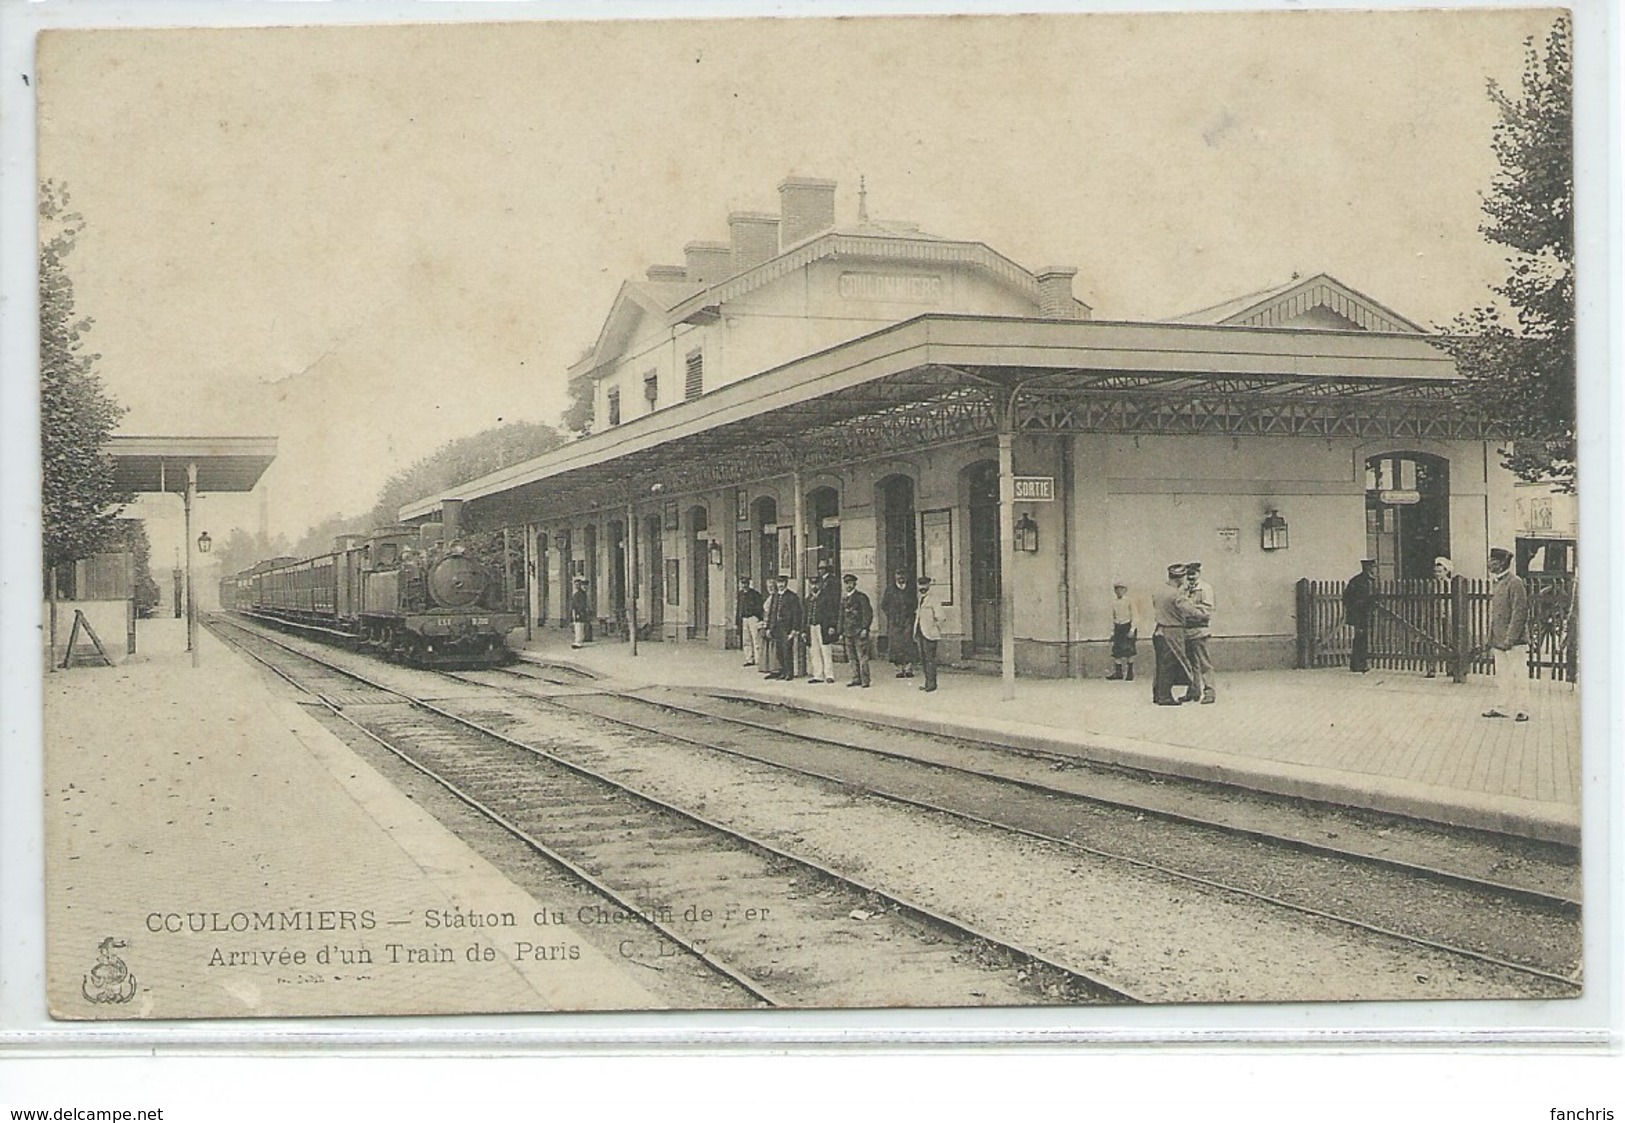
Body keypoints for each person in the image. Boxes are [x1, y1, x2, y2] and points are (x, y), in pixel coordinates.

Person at [1483, 546, 1531, 722]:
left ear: (1503, 563)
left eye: (1493, 560)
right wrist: (1492, 638)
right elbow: (1496, 615)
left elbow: (1520, 612)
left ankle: (1522, 709)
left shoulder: (1515, 582)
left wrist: (1510, 638)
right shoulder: (1498, 582)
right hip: (1499, 640)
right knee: (1502, 675)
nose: (1489, 563)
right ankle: (1503, 707)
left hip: (1514, 641)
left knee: (1519, 674)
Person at [1150, 563, 1194, 705]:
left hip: (1159, 630)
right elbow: (1188, 609)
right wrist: (1204, 613)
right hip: (1172, 631)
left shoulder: (1158, 591)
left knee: (1160, 665)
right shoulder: (1176, 594)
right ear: (1179, 578)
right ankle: (1165, 697)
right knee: (1170, 664)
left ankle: (1158, 695)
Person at [1180, 561, 1216, 704]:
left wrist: (1191, 607)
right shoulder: (1183, 589)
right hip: (1186, 630)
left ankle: (1210, 692)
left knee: (1204, 663)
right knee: (1190, 663)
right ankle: (1193, 691)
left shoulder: (1205, 588)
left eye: (1193, 575)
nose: (1190, 578)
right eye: (1188, 576)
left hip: (1200, 630)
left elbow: (1208, 610)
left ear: (1198, 574)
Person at [763, 573, 804, 681]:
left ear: (786, 583)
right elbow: (772, 612)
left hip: (787, 628)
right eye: (779, 582)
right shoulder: (775, 596)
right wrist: (768, 628)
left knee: (787, 651)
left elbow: (796, 614)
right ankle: (782, 671)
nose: (780, 585)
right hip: (776, 628)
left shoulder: (792, 596)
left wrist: (795, 629)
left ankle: (789, 673)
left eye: (782, 583)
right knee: (779, 651)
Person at [838, 572, 874, 688]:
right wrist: (840, 631)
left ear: (855, 584)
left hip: (859, 631)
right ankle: (855, 678)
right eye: (846, 583)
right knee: (851, 657)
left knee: (862, 656)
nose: (848, 585)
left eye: (850, 583)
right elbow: (841, 616)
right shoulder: (844, 599)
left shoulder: (861, 597)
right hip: (847, 632)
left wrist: (865, 628)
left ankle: (865, 680)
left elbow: (867, 613)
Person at [1343, 558, 1378, 673]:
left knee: (1366, 638)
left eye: (1373, 567)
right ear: (1365, 568)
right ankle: (1357, 664)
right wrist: (1356, 607)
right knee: (1360, 637)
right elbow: (1346, 598)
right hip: (1359, 614)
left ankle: (1362, 663)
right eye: (1371, 567)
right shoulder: (1357, 581)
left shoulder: (1373, 581)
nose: (1373, 569)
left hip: (1369, 614)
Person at [880, 570, 917, 678]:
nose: (901, 578)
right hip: (895, 621)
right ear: (895, 577)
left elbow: (914, 603)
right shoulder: (890, 590)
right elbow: (884, 605)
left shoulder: (910, 590)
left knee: (908, 642)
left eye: (903, 576)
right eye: (898, 575)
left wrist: (909, 615)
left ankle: (908, 667)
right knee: (896, 644)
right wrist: (892, 615)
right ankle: (899, 668)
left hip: (907, 620)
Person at [806, 572, 840, 683]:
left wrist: (832, 626)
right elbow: (804, 616)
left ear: (821, 584)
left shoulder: (827, 598)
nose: (814, 586)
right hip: (812, 627)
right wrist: (803, 630)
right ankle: (818, 675)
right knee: (814, 651)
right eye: (812, 584)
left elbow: (832, 613)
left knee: (826, 650)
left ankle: (829, 675)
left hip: (823, 627)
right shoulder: (808, 599)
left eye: (816, 584)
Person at [913, 575, 944, 692]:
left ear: (929, 585)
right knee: (924, 659)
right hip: (920, 632)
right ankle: (927, 682)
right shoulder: (920, 598)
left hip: (930, 633)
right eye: (920, 585)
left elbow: (941, 617)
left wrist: (935, 629)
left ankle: (932, 683)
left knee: (930, 659)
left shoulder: (933, 599)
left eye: (925, 584)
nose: (922, 587)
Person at [1426, 557, 1455, 679]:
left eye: (1440, 571)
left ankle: (1450, 668)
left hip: (1448, 615)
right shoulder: (1431, 585)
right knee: (1433, 641)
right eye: (1435, 572)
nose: (1437, 574)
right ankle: (1432, 669)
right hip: (1435, 615)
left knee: (1448, 641)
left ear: (1446, 571)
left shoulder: (1450, 584)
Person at [1107, 581, 1138, 681]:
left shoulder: (1129, 601)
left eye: (1121, 589)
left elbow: (1135, 615)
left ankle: (1130, 673)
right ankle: (1118, 673)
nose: (1119, 591)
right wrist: (1112, 632)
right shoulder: (1114, 602)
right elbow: (1112, 617)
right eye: (1117, 589)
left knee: (1129, 650)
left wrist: (1132, 629)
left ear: (1125, 590)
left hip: (1127, 626)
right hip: (1118, 626)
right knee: (1117, 651)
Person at [735, 575, 764, 668]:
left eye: (746, 583)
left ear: (749, 583)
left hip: (753, 618)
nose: (744, 585)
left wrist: (757, 617)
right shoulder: (740, 594)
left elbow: (760, 606)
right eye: (742, 583)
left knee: (756, 639)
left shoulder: (755, 594)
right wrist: (737, 621)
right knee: (746, 640)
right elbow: (738, 608)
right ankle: (749, 659)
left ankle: (759, 659)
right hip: (744, 618)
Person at [568, 577, 592, 649]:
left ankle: (578, 641)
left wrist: (579, 612)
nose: (576, 586)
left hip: (579, 612)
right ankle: (579, 640)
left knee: (579, 627)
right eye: (575, 585)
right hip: (579, 612)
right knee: (579, 626)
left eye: (578, 584)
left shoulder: (579, 594)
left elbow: (580, 604)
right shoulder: (580, 593)